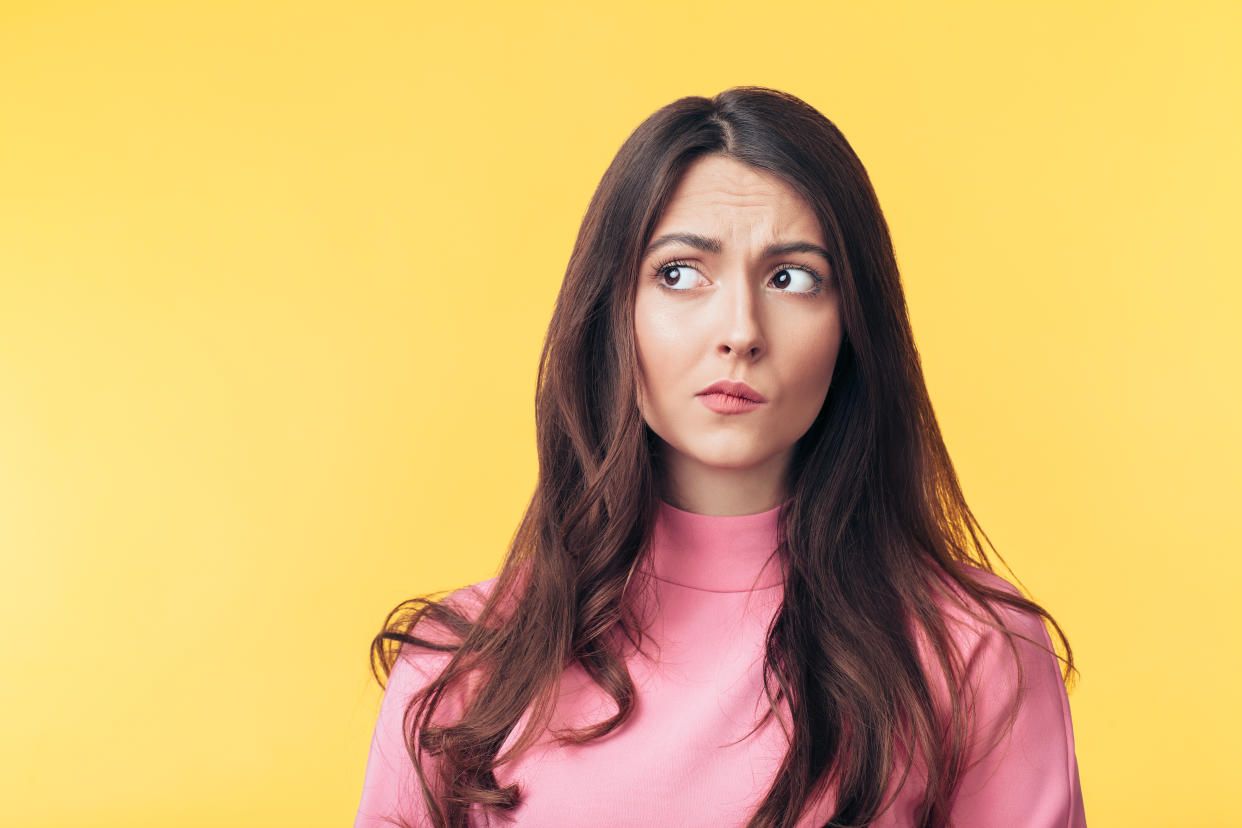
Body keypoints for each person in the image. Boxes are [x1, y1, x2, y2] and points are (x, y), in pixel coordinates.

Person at [354, 86, 1087, 828]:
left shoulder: (975, 652)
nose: (741, 329)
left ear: (853, 326)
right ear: (613, 314)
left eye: (792, 277)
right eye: (679, 273)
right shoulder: (460, 665)